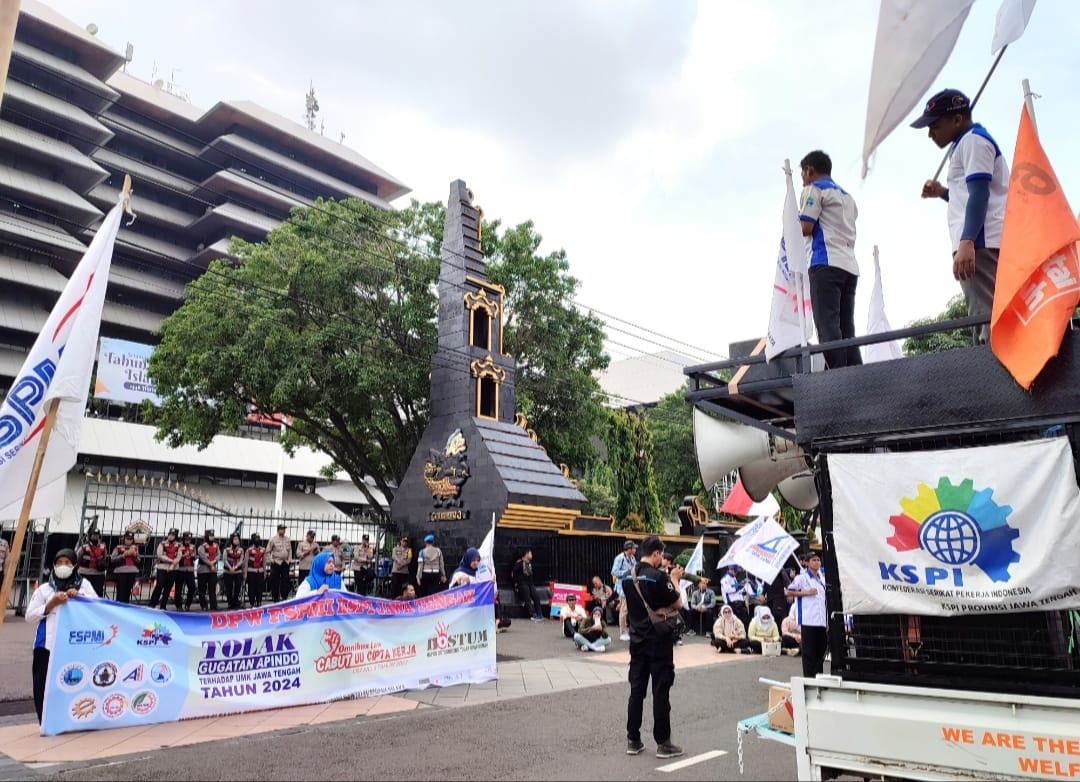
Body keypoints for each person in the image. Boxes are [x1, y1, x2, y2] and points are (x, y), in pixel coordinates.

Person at [914, 88, 1009, 345]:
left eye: (934, 125)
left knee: (986, 324)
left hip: (980, 243)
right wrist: (943, 193)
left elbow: (979, 195)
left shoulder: (973, 141)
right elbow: (968, 195)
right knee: (983, 320)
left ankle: (997, 381)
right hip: (979, 241)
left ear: (956, 120)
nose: (930, 133)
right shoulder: (965, 143)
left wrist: (967, 242)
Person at [623, 535, 685, 760]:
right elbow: (678, 602)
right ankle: (663, 743)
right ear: (657, 554)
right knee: (661, 691)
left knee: (636, 691)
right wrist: (675, 578)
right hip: (659, 641)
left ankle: (633, 739)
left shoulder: (627, 578)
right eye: (661, 555)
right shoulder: (658, 577)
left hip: (637, 640)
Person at [799, 149, 862, 369]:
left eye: (802, 175)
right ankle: (855, 372)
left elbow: (806, 227)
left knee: (827, 325)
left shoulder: (813, 190)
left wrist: (790, 225)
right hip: (849, 266)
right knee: (847, 328)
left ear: (809, 170)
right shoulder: (847, 197)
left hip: (824, 263)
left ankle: (837, 376)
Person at [26, 548, 97, 723]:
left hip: (74, 645)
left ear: (74, 565)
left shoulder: (85, 585)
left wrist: (79, 596)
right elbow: (29, 616)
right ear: (54, 565)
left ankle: (69, 720)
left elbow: (97, 607)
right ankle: (45, 722)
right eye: (59, 563)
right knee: (42, 685)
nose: (63, 566)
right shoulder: (44, 589)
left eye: (67, 563)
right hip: (46, 644)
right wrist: (51, 604)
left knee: (72, 683)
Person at [786, 552, 828, 677]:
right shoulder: (801, 578)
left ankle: (818, 675)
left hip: (821, 620)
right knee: (809, 652)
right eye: (813, 560)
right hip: (808, 619)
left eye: (818, 560)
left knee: (821, 650)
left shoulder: (822, 577)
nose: (817, 562)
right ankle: (809, 677)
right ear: (807, 563)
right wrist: (806, 592)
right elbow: (788, 592)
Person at [610, 540, 637, 641]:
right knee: (625, 609)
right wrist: (625, 573)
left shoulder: (632, 558)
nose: (635, 550)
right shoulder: (620, 558)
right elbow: (614, 571)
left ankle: (618, 606)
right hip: (622, 587)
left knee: (624, 607)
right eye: (633, 548)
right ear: (629, 549)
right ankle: (623, 632)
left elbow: (635, 568)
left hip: (630, 585)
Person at [150, 528, 180, 610]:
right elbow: (160, 555)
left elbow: (179, 557)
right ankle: (152, 604)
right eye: (170, 534)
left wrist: (173, 565)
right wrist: (171, 561)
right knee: (159, 586)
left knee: (168, 588)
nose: (171, 536)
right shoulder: (162, 544)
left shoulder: (178, 545)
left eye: (173, 535)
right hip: (162, 567)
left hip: (173, 569)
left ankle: (163, 605)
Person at [511, 547, 543, 621]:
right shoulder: (519, 563)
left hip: (530, 583)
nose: (531, 555)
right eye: (530, 553)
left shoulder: (529, 564)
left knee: (536, 597)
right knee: (527, 598)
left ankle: (539, 613)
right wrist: (516, 583)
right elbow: (514, 574)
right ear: (526, 554)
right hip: (522, 583)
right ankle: (533, 614)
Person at [109, 532, 140, 604]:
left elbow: (139, 560)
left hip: (132, 571)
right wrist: (123, 555)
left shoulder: (135, 548)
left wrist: (134, 555)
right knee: (120, 591)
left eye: (130, 539)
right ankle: (119, 605)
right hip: (121, 571)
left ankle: (126, 605)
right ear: (124, 539)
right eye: (127, 539)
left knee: (128, 591)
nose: (129, 541)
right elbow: (112, 559)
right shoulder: (118, 548)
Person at [265, 523, 293, 602]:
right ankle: (275, 597)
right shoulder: (273, 539)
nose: (283, 531)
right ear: (278, 530)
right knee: (275, 581)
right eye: (282, 529)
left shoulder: (287, 539)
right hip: (276, 562)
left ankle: (284, 597)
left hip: (285, 562)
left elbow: (290, 550)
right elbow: (267, 552)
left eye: (284, 529)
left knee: (285, 580)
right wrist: (271, 560)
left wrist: (289, 560)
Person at [76, 530, 108, 598]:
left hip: (96, 574)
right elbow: (77, 559)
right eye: (94, 535)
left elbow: (77, 559)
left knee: (95, 593)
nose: (95, 537)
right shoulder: (84, 547)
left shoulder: (102, 547)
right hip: (86, 573)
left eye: (96, 536)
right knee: (86, 592)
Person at [196, 529, 219, 611]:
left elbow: (218, 555)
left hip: (213, 570)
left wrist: (213, 562)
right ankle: (204, 605)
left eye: (213, 536)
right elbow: (203, 557)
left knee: (212, 589)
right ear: (206, 536)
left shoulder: (216, 545)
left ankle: (214, 605)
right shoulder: (202, 546)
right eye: (210, 535)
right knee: (202, 589)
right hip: (203, 570)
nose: (212, 537)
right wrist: (211, 564)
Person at [222, 533, 246, 610]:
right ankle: (230, 603)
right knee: (229, 588)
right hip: (227, 571)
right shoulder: (226, 549)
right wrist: (230, 568)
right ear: (231, 540)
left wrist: (235, 567)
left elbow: (241, 560)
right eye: (235, 539)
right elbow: (224, 560)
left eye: (238, 539)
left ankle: (235, 602)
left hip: (237, 571)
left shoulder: (241, 550)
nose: (236, 541)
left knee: (237, 587)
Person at [175, 531, 198, 611]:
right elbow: (176, 556)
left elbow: (195, 556)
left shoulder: (193, 546)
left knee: (192, 587)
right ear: (183, 539)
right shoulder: (179, 546)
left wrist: (192, 555)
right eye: (186, 539)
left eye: (189, 539)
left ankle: (188, 604)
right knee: (179, 588)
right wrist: (183, 555)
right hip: (180, 569)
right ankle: (178, 605)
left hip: (190, 569)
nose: (188, 540)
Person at [246, 533, 267, 608]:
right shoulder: (249, 550)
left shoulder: (263, 549)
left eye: (258, 538)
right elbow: (246, 562)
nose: (257, 540)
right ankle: (252, 602)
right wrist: (245, 574)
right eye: (256, 539)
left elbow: (264, 561)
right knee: (251, 587)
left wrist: (265, 572)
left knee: (259, 588)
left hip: (260, 571)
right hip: (251, 571)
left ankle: (259, 601)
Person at [390, 535, 412, 600]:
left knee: (403, 588)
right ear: (400, 541)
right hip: (396, 571)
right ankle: (394, 601)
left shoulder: (409, 550)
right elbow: (393, 556)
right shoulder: (395, 549)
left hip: (404, 572)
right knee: (395, 587)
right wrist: (398, 561)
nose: (404, 543)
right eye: (403, 541)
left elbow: (409, 560)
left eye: (406, 541)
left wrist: (401, 565)